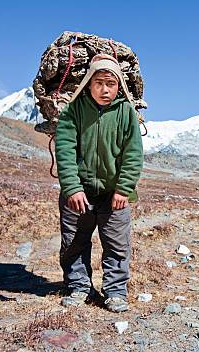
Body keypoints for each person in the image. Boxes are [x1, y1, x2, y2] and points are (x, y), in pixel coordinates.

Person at [54, 53, 143, 312]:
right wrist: (72, 187)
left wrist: (123, 188)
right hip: (78, 192)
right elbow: (65, 150)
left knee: (116, 244)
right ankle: (78, 287)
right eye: (99, 83)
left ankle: (115, 292)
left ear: (120, 86)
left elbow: (133, 153)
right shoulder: (74, 110)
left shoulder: (126, 113)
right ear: (88, 84)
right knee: (74, 242)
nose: (105, 90)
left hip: (113, 195)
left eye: (111, 84)